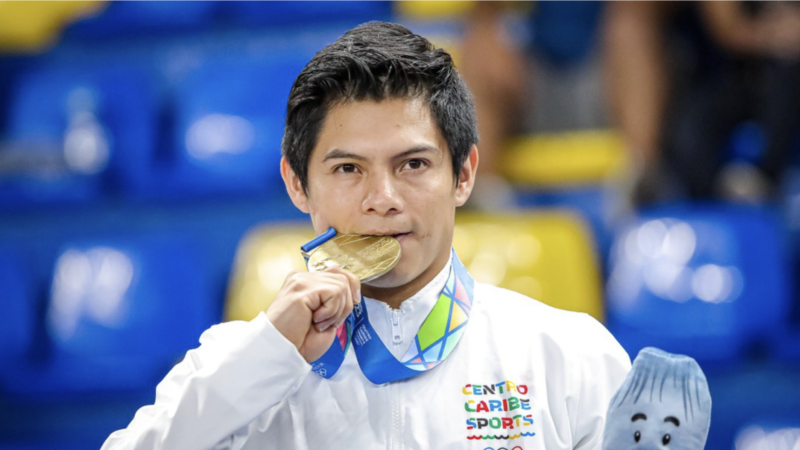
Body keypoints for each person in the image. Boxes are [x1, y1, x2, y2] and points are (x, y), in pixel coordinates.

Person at [102, 21, 630, 450]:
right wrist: (268, 355)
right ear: (297, 184)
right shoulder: (236, 365)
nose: (383, 197)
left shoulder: (568, 353)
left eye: (414, 163)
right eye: (349, 169)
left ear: (464, 175)